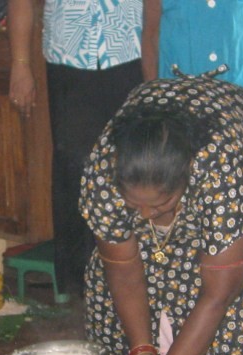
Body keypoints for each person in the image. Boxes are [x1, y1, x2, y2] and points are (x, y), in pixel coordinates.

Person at [79, 73, 243, 355]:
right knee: (139, 255)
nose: (145, 216)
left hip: (237, 117)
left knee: (225, 271)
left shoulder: (222, 169)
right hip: (154, 133)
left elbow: (220, 292)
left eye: (159, 204)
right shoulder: (103, 170)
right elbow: (123, 272)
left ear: (187, 178)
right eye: (134, 205)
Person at [8, 0, 143, 298]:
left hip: (131, 53)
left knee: (135, 170)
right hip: (69, 57)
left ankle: (135, 280)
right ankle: (81, 283)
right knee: (76, 171)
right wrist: (20, 65)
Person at [141, 0, 243, 284]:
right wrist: (152, 102)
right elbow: (151, 34)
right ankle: (195, 290)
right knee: (188, 197)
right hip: (180, 108)